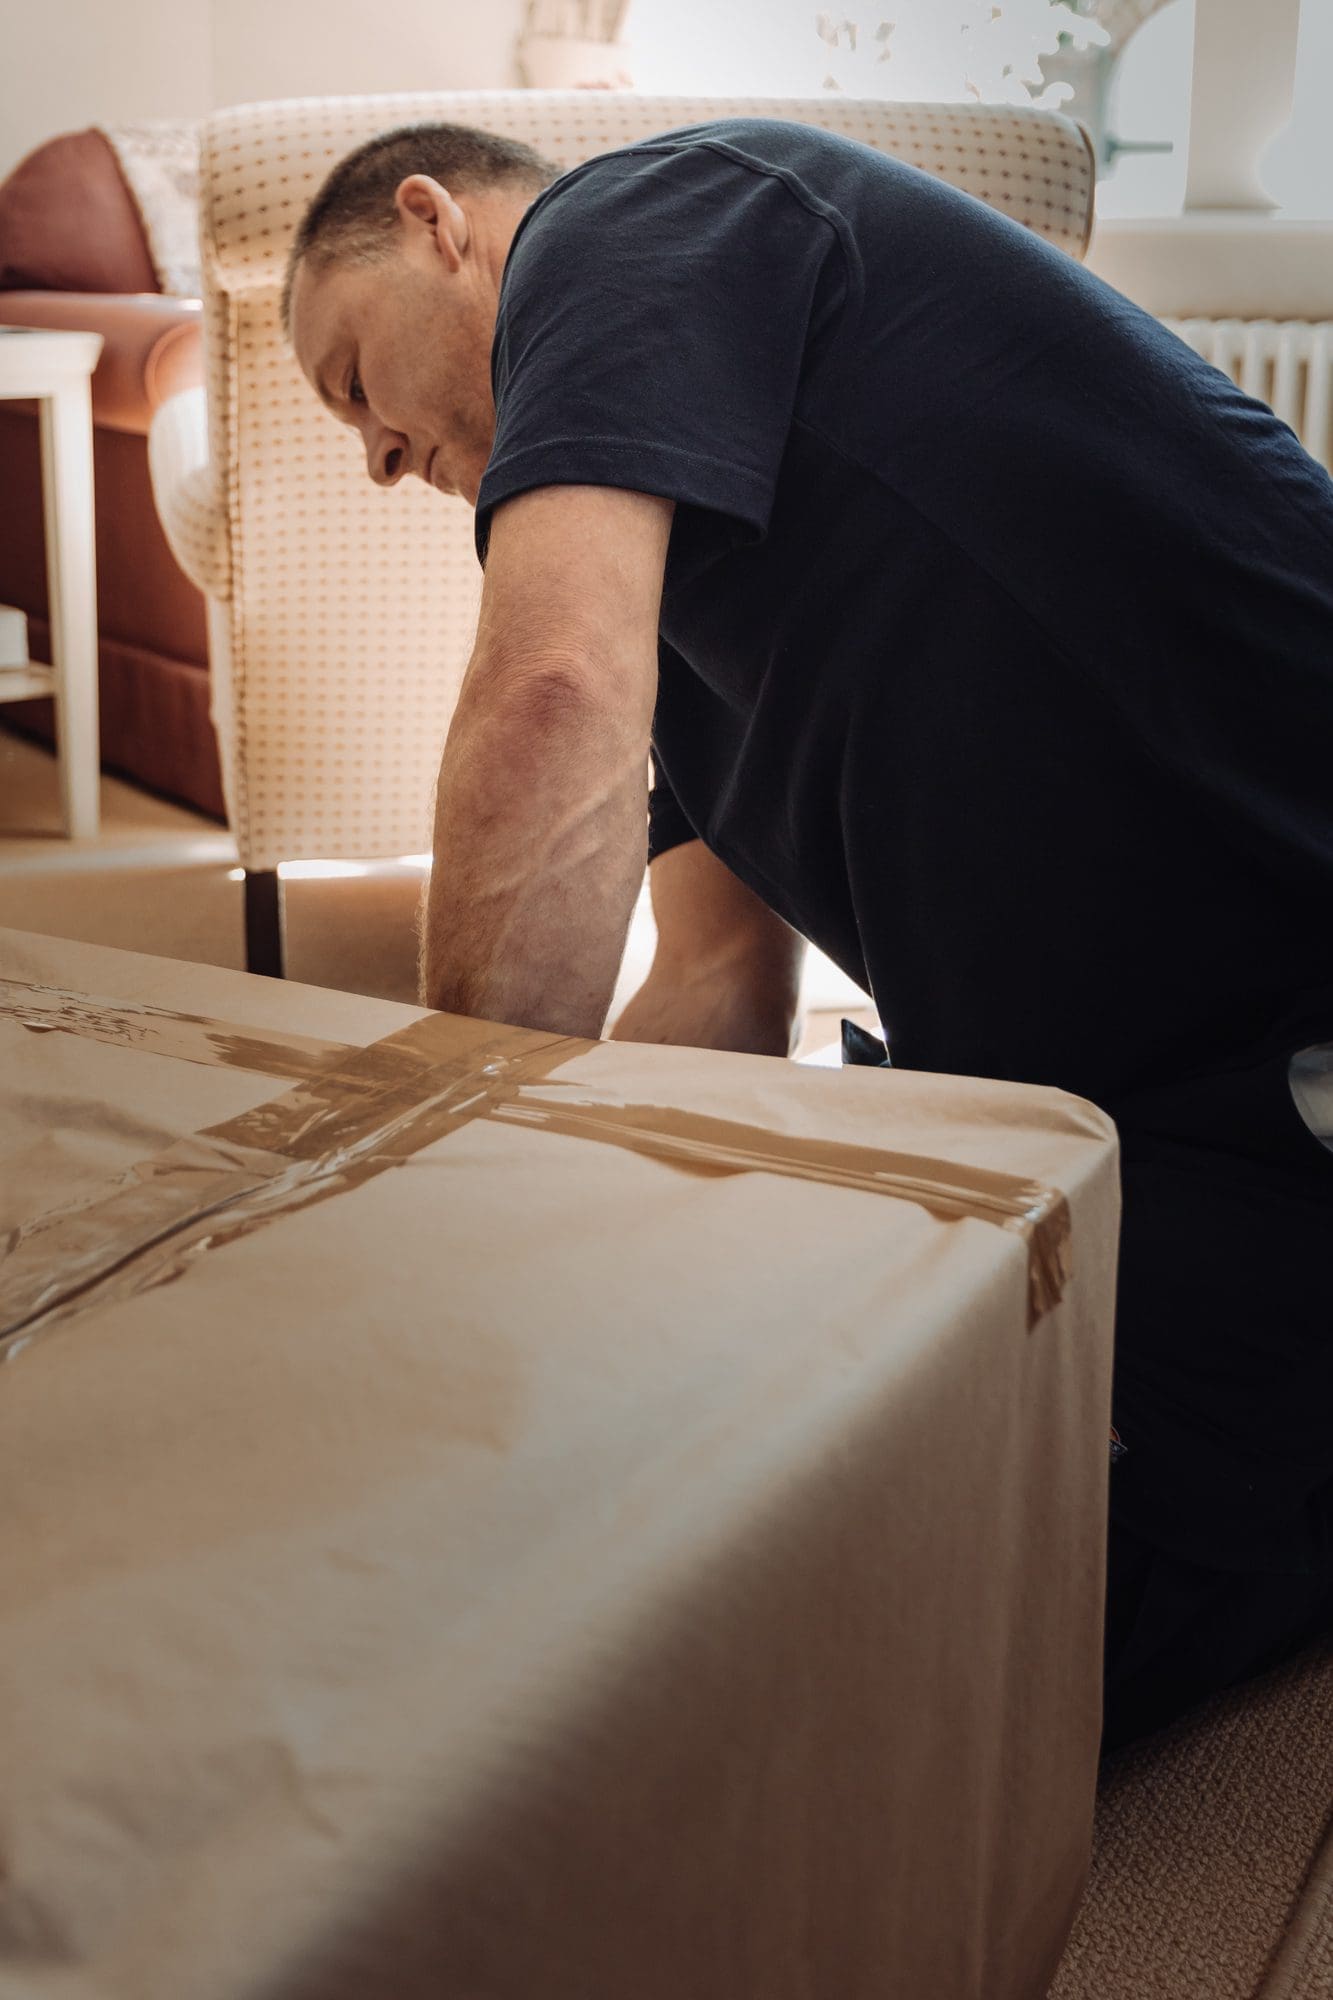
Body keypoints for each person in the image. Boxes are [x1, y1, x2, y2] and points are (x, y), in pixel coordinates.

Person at [284, 116, 1333, 1758]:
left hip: (1275, 984)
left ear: (439, 225)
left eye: (355, 385)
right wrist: (554, 1272)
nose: (375, 459)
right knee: (726, 1537)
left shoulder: (642, 217)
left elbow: (550, 684)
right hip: (1112, 1097)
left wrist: (440, 1208)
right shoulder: (695, 623)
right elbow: (716, 987)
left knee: (859, 1687)